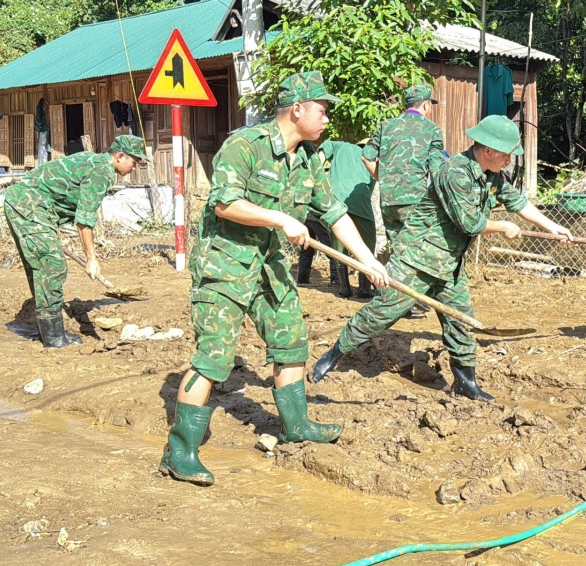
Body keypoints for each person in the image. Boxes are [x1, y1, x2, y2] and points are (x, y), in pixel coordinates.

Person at [160, 71, 390, 487]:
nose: (327, 119)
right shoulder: (244, 146)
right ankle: (180, 451)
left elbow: (335, 213)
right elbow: (225, 203)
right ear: (297, 109)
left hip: (270, 265)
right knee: (215, 358)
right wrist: (280, 218)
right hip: (225, 264)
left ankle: (295, 425)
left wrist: (368, 261)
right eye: (322, 110)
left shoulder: (307, 161)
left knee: (291, 340)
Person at [309, 116, 573, 402]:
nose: (509, 159)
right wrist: (504, 227)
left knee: (459, 322)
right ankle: (335, 354)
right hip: (417, 259)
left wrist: (553, 227)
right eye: (507, 153)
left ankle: (465, 382)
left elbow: (517, 202)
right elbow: (470, 223)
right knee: (381, 314)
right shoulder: (454, 172)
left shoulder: (492, 175)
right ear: (488, 151)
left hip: (450, 264)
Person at [3, 134, 148, 347]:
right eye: (134, 162)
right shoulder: (102, 171)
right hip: (29, 204)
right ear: (119, 156)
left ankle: (48, 332)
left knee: (42, 266)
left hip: (24, 202)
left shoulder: (94, 162)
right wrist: (91, 258)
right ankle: (53, 338)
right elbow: (84, 219)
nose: (134, 168)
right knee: (52, 266)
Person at [363, 83, 446, 317]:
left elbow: (366, 156)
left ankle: (391, 300)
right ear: (426, 105)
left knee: (398, 248)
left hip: (388, 199)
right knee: (419, 248)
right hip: (416, 199)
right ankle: (417, 303)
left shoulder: (386, 126)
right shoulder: (432, 130)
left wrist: (386, 179)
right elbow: (436, 170)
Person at [322, 139, 378, 299]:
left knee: (339, 246)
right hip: (360, 203)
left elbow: (325, 148)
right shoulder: (371, 159)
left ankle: (344, 288)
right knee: (367, 244)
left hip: (336, 199)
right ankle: (365, 288)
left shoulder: (341, 145)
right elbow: (371, 186)